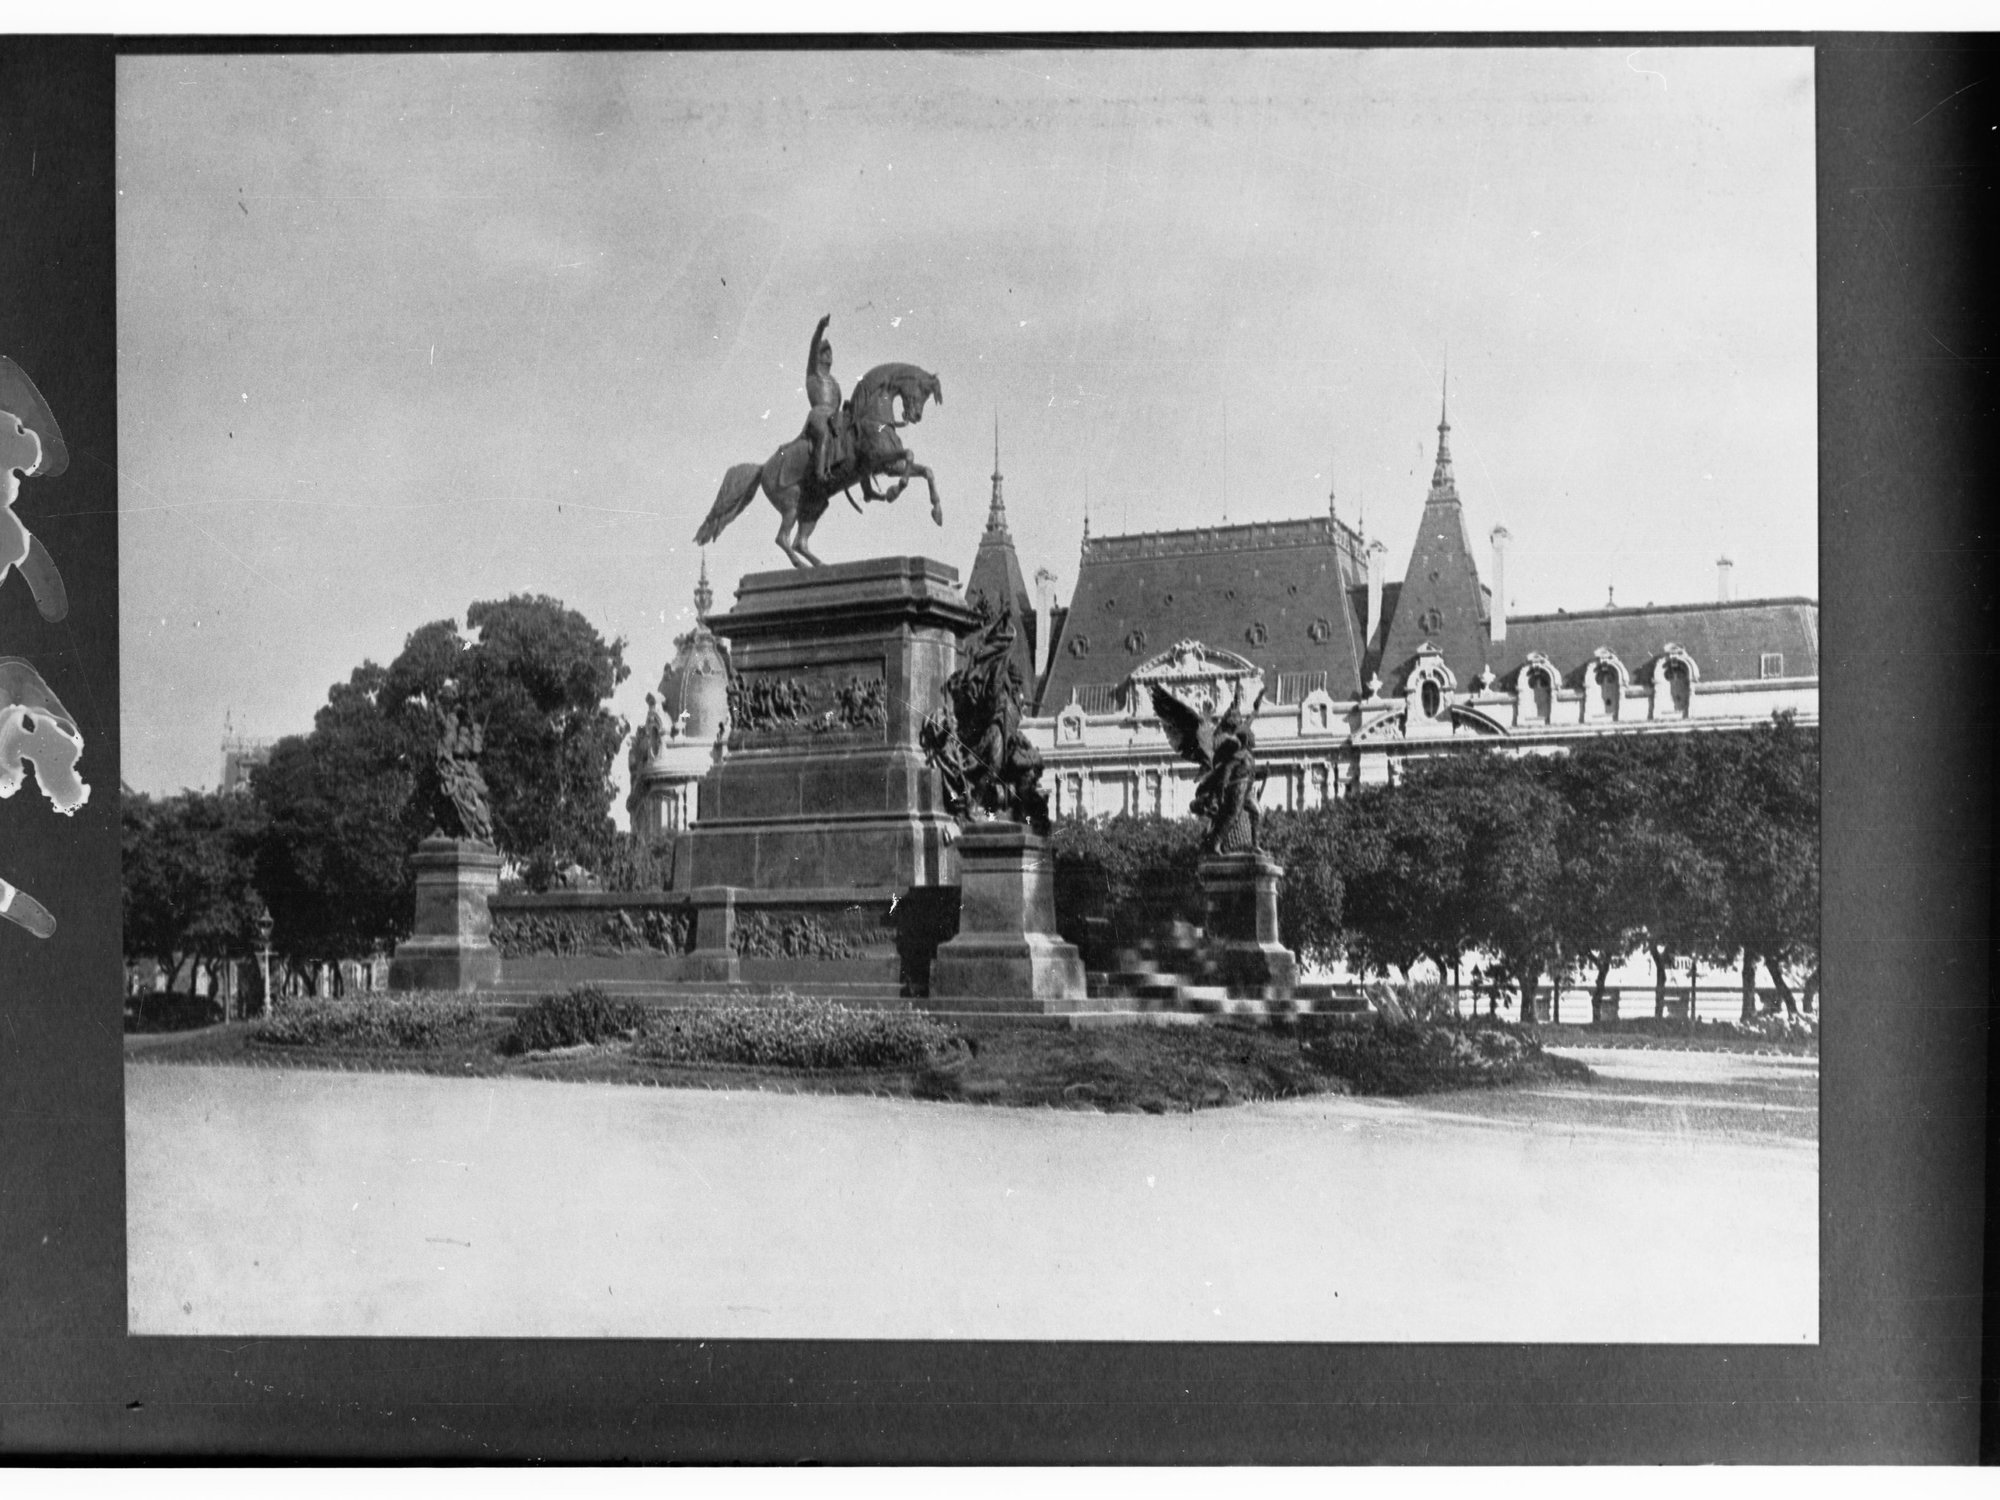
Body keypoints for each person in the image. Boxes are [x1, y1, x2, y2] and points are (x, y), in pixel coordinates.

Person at [803, 313, 842, 484]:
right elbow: (813, 346)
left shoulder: (835, 383)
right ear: (818, 356)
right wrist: (820, 328)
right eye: (824, 352)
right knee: (824, 433)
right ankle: (820, 474)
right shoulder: (813, 373)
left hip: (833, 415)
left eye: (830, 352)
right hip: (818, 414)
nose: (828, 355)